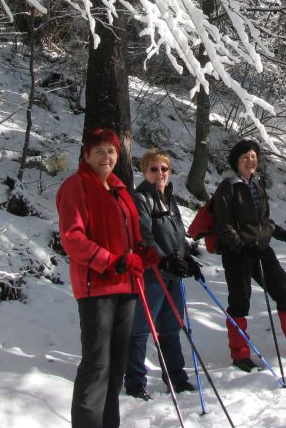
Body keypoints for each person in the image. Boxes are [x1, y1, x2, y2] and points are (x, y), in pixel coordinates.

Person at [56, 128, 158, 428]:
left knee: (115, 368)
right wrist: (111, 262)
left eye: (111, 151)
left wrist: (144, 252)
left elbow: (131, 237)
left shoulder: (119, 189)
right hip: (97, 288)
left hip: (126, 287)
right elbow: (72, 238)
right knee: (96, 366)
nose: (106, 156)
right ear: (86, 155)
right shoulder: (76, 186)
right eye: (99, 151)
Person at [213, 137, 286, 371]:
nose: (250, 161)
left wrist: (282, 232)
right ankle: (240, 354)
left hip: (261, 250)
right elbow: (224, 226)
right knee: (240, 303)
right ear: (236, 161)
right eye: (245, 158)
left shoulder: (257, 183)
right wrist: (242, 246)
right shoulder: (228, 186)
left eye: (253, 157)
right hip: (238, 254)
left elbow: (262, 221)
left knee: (284, 291)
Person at [124, 148, 201, 401]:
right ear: (144, 171)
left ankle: (176, 377)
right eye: (153, 169)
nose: (159, 173)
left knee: (171, 326)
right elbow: (144, 236)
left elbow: (178, 233)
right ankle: (135, 383)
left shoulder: (169, 196)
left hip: (172, 273)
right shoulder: (141, 198)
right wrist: (164, 259)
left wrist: (187, 257)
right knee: (141, 328)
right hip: (152, 272)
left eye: (164, 169)